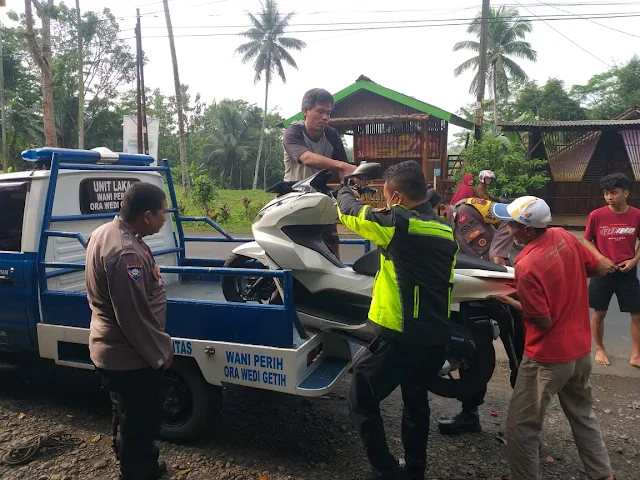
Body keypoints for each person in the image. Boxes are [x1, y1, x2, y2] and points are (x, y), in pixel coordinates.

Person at [337, 160, 458, 480]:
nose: (385, 201)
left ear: (397, 198)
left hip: (401, 336)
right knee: (416, 401)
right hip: (435, 336)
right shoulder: (444, 229)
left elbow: (352, 213)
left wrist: (346, 188)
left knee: (360, 397)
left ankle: (386, 471)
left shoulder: (398, 224)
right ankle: (415, 471)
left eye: (387, 196)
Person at [490, 195, 614, 480]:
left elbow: (543, 321)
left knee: (522, 426)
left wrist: (511, 302)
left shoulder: (526, 264)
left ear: (529, 230)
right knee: (583, 415)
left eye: (512, 225)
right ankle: (603, 474)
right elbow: (595, 268)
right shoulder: (563, 235)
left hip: (547, 358)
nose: (508, 229)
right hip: (580, 350)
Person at [86, 182, 174, 480]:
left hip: (116, 351)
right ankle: (137, 473)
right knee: (140, 422)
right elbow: (133, 317)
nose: (166, 218)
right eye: (163, 212)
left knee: (125, 416)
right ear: (147, 215)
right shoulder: (126, 253)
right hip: (130, 355)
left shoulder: (106, 233)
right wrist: (160, 353)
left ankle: (138, 467)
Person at [436, 196, 525, 435]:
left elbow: (510, 214)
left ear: (443, 207)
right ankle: (469, 415)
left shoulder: (469, 209)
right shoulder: (441, 228)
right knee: (472, 354)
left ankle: (525, 426)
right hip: (472, 295)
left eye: (436, 214)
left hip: (504, 290)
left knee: (519, 357)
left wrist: (498, 254)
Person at [283, 88, 357, 258]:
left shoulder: (331, 134)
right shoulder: (293, 132)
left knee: (331, 241)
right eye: (320, 111)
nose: (325, 117)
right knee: (295, 246)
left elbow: (342, 170)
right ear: (305, 111)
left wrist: (351, 185)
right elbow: (306, 157)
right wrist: (342, 166)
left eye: (328, 113)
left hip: (320, 194)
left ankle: (334, 275)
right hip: (293, 194)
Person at [582, 173, 640, 368]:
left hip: (628, 272)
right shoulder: (596, 215)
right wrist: (602, 258)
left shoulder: (637, 215)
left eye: (614, 193)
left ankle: (636, 354)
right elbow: (587, 240)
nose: (609, 197)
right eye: (606, 193)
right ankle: (599, 348)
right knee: (599, 312)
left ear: (626, 193)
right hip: (603, 271)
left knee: (637, 314)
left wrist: (635, 259)